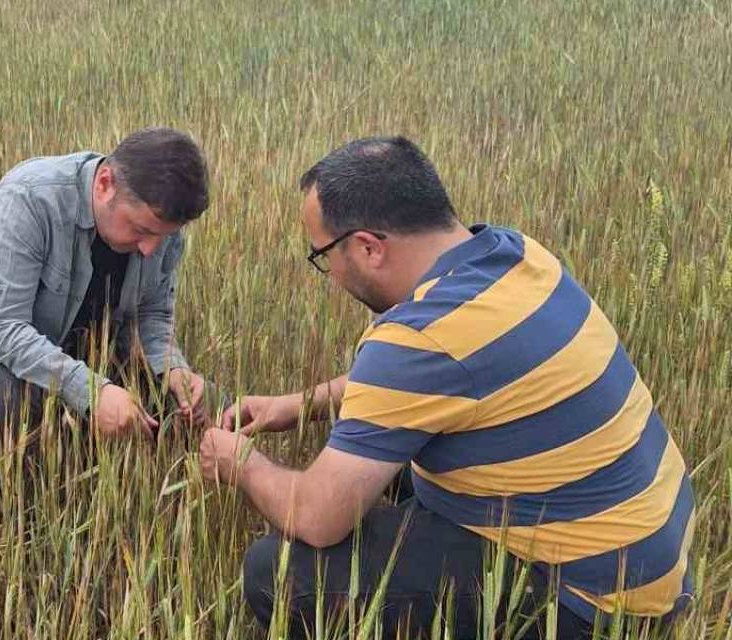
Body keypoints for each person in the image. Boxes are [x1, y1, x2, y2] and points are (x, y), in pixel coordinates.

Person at [199, 136, 693, 638]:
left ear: (368, 247)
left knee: (279, 574)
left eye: (325, 255)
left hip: (590, 603)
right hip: (648, 558)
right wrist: (300, 405)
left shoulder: (416, 337)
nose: (331, 276)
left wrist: (240, 462)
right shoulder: (515, 256)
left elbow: (317, 516)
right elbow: (438, 380)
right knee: (394, 462)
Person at [0, 126, 219, 506]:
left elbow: (153, 315)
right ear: (105, 183)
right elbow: (0, 330)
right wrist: (92, 391)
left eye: (164, 236)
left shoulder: (159, 226)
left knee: (192, 400)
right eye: (141, 230)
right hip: (7, 351)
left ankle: (127, 503)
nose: (150, 249)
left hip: (92, 349)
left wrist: (173, 367)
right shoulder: (28, 199)